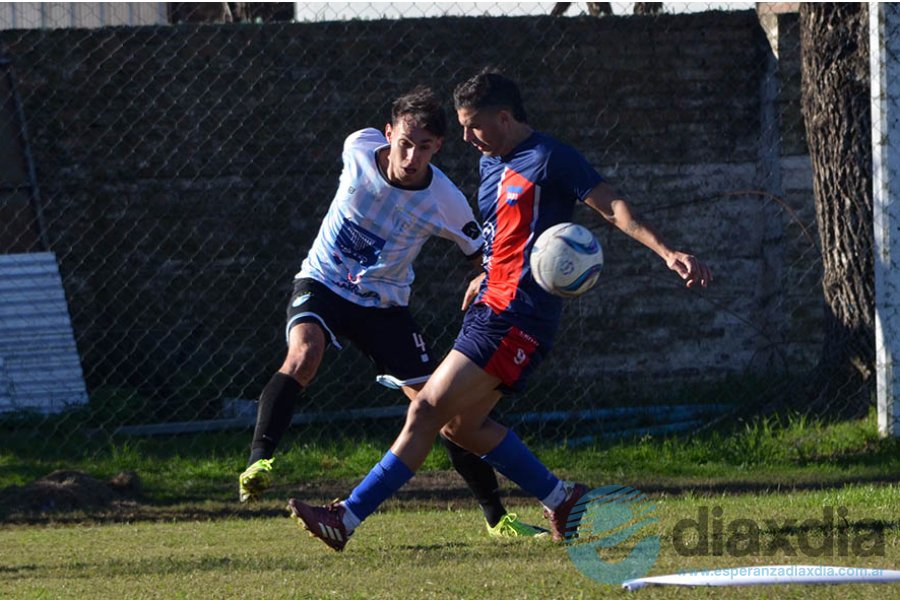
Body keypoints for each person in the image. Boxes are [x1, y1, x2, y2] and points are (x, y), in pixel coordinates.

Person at [288, 71, 712, 551]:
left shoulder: (550, 159)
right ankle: (561, 496)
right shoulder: (492, 162)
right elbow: (504, 237)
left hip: (518, 317)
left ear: (504, 117)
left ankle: (346, 517)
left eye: (474, 126)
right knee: (460, 425)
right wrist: (485, 272)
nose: (465, 138)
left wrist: (666, 251)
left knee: (426, 408)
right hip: (490, 305)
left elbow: (612, 205)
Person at [240, 85, 548, 539]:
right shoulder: (358, 147)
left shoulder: (443, 199)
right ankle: (258, 461)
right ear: (387, 134)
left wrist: (481, 276)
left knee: (445, 414)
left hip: (384, 307)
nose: (411, 156)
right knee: (304, 355)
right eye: (404, 143)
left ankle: (497, 518)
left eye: (424, 147)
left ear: (438, 147)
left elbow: (482, 252)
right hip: (323, 282)